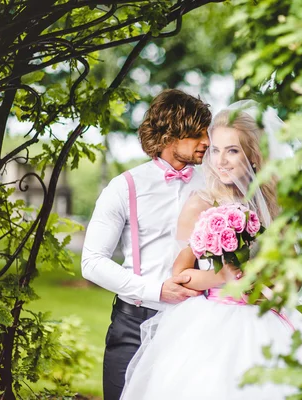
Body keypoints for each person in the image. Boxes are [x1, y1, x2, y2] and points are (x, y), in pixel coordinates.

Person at [120, 102, 302, 399]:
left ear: (254, 156)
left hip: (265, 316)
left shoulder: (274, 205)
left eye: (232, 150)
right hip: (213, 320)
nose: (221, 160)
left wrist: (271, 289)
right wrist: (223, 276)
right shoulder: (201, 203)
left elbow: (293, 275)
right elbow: (180, 275)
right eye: (215, 150)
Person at [81, 89, 212, 400]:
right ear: (168, 135)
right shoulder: (124, 187)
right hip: (133, 325)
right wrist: (155, 290)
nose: (206, 141)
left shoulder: (212, 185)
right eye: (196, 133)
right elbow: (92, 262)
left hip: (196, 325)